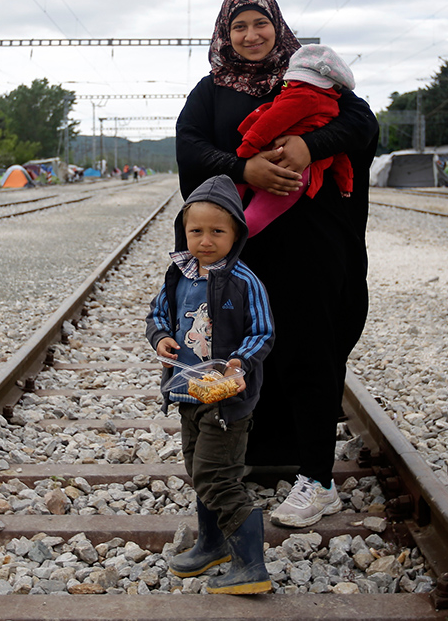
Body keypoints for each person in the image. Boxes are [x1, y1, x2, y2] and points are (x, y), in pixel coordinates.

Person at [176, 0, 378, 529]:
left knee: (311, 350)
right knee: (239, 348)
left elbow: (362, 125)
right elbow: (190, 148)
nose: (250, 35)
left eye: (259, 24)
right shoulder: (211, 90)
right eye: (238, 26)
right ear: (225, 33)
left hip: (309, 252)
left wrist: (311, 147)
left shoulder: (309, 78)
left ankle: (315, 478)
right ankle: (244, 456)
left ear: (278, 26)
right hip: (243, 254)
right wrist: (245, 169)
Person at [147, 174, 275, 594]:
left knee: (217, 475)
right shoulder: (178, 275)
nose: (205, 240)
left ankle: (251, 565)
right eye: (196, 231)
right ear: (184, 233)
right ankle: (212, 544)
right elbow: (158, 315)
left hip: (226, 398)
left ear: (235, 233)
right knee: (198, 470)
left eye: (217, 231)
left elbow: (263, 331)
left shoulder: (243, 280)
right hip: (188, 393)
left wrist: (241, 361)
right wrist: (161, 336)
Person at [235, 43, 356, 235]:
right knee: (259, 214)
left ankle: (223, 238)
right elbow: (340, 154)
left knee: (228, 202)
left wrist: (245, 151)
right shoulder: (332, 107)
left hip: (274, 162)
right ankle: (232, 237)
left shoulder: (304, 96)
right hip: (295, 175)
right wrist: (345, 182)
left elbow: (268, 123)